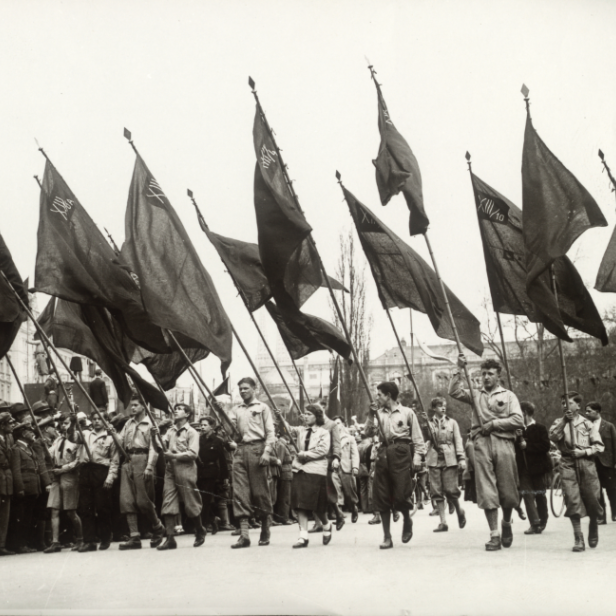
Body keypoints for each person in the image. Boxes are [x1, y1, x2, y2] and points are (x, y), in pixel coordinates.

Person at [449, 356, 523, 551]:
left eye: (490, 374)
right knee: (487, 489)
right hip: (481, 444)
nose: (486, 377)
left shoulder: (508, 396)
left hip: (504, 444)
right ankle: (494, 535)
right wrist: (459, 368)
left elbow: (518, 420)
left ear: (498, 376)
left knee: (507, 488)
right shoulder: (475, 394)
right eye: (483, 374)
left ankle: (506, 524)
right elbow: (454, 391)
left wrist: (494, 424)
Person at [363, 382, 425, 549]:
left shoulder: (407, 413)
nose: (377, 397)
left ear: (388, 395)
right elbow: (366, 433)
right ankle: (387, 536)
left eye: (379, 394)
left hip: (401, 452)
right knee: (382, 495)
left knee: (401, 493)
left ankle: (407, 520)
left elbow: (418, 439)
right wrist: (370, 414)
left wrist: (418, 458)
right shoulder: (377, 413)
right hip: (383, 452)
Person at [550, 392, 604, 552]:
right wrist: (564, 422)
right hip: (567, 464)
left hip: (586, 464)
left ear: (578, 406)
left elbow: (599, 446)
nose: (565, 406)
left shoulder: (588, 424)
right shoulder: (558, 422)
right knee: (572, 500)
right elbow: (553, 436)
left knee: (593, 499)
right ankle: (578, 537)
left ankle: (593, 524)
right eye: (563, 403)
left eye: (569, 403)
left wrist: (584, 452)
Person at [228, 377, 275, 549]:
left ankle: (265, 529)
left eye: (246, 388)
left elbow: (270, 432)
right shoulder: (236, 409)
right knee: (240, 493)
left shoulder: (262, 408)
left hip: (257, 449)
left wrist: (267, 452)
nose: (242, 391)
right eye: (240, 389)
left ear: (254, 389)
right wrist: (222, 415)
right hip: (240, 450)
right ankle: (244, 535)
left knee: (260, 493)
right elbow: (230, 432)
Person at [153, 403, 206, 550]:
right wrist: (153, 435)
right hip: (171, 469)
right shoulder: (170, 431)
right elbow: (159, 446)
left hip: (186, 467)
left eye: (179, 409)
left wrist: (174, 456)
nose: (175, 411)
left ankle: (199, 530)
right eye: (175, 409)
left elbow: (193, 454)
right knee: (168, 501)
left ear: (187, 414)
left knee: (190, 502)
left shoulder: (192, 432)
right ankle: (170, 538)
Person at [115, 394, 165, 550]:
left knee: (143, 501)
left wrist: (150, 466)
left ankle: (157, 527)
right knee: (127, 500)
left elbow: (154, 448)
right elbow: (120, 442)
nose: (132, 407)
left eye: (136, 405)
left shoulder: (150, 424)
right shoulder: (128, 424)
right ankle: (134, 537)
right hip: (128, 461)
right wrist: (113, 433)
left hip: (142, 460)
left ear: (144, 407)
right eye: (132, 405)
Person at [69, 411, 119, 552]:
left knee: (102, 507)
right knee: (85, 507)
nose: (97, 421)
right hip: (86, 471)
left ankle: (105, 537)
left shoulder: (110, 437)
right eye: (94, 419)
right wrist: (73, 423)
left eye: (100, 419)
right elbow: (72, 437)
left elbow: (115, 461)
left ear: (106, 421)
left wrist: (110, 477)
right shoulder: (85, 434)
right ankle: (89, 541)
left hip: (101, 471)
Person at [288, 404, 331, 548]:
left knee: (317, 506)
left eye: (308, 414)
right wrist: (279, 417)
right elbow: (286, 429)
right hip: (300, 469)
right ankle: (303, 536)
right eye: (304, 414)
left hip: (316, 470)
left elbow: (323, 450)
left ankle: (326, 525)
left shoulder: (323, 433)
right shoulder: (300, 430)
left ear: (317, 416)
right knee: (301, 504)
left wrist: (305, 454)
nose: (305, 416)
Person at [425, 397, 466, 532]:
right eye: (440, 406)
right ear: (434, 408)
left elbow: (458, 440)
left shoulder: (452, 423)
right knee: (436, 491)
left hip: (449, 459)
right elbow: (427, 441)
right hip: (434, 460)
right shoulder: (428, 423)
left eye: (444, 406)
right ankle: (443, 522)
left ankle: (459, 511)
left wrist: (461, 458)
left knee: (451, 490)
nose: (443, 408)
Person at [44, 416, 83, 553]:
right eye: (62, 423)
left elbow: (78, 461)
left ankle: (80, 539)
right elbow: (49, 454)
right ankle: (55, 542)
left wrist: (63, 469)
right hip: (56, 476)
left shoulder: (77, 441)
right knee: (54, 509)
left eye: (66, 423)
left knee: (70, 511)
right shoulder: (58, 440)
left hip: (68, 476)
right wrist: (44, 446)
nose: (63, 426)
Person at [515, 401, 551, 535]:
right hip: (523, 469)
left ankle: (542, 520)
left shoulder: (540, 428)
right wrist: (517, 437)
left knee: (540, 495)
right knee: (527, 495)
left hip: (538, 468)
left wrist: (527, 445)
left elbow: (545, 446)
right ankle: (534, 522)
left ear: (524, 413)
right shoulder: (518, 430)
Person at [584, 401, 616, 524]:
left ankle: (614, 513)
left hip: (607, 463)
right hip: (591, 463)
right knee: (596, 491)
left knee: (611, 489)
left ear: (597, 412)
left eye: (589, 411)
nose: (586, 413)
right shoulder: (584, 426)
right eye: (586, 411)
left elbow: (615, 445)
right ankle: (601, 516)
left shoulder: (609, 426)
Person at [196, 415, 229, 534]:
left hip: (211, 472)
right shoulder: (198, 439)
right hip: (199, 471)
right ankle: (213, 519)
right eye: (201, 425)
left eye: (205, 425)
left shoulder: (217, 440)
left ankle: (204, 525)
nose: (202, 427)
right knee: (200, 499)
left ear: (212, 427)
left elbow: (222, 459)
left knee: (205, 499)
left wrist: (225, 477)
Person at [333, 416, 360, 523]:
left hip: (347, 468)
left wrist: (355, 467)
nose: (337, 425)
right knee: (336, 490)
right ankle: (339, 515)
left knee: (349, 492)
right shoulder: (330, 438)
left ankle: (354, 508)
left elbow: (355, 454)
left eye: (339, 423)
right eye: (335, 423)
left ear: (343, 424)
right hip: (335, 468)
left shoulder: (349, 438)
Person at [0, 410, 14, 555]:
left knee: (5, 515)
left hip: (6, 481)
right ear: (2, 425)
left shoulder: (8, 438)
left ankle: (1, 545)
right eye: (10, 423)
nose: (12, 425)